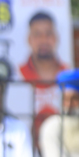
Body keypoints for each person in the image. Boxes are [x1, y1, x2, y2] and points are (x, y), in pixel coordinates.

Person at [18, 11, 69, 141]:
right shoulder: (17, 75)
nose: (43, 40)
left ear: (56, 38)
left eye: (48, 34)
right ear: (29, 39)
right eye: (37, 34)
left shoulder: (69, 75)